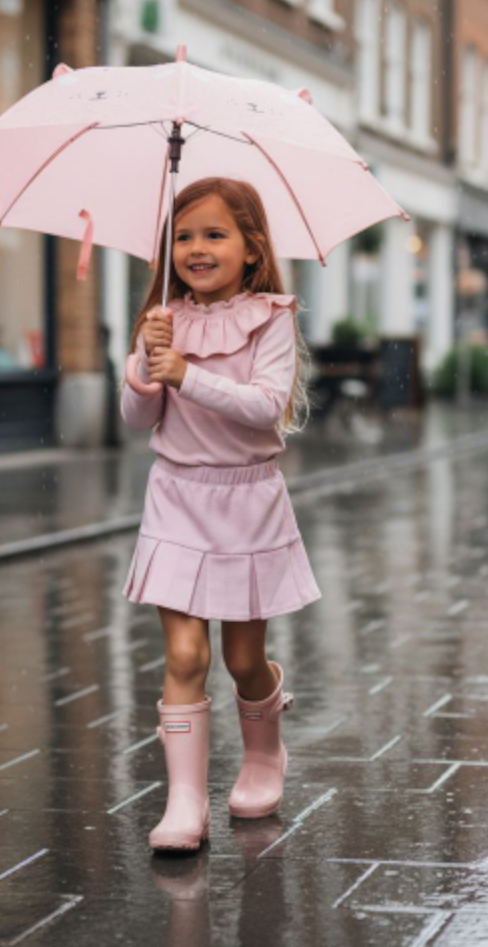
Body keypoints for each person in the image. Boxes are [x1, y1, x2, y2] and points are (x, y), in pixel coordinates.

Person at [120, 177, 321, 853]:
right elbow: (137, 419)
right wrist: (145, 368)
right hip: (176, 497)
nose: (196, 249)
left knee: (242, 659)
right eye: (183, 236)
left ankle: (265, 755)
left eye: (214, 235)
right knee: (184, 652)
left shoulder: (272, 317)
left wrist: (186, 373)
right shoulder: (164, 318)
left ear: (251, 246)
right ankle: (183, 802)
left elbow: (265, 407)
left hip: (246, 500)